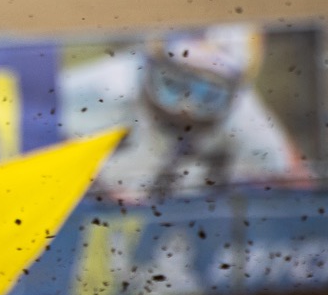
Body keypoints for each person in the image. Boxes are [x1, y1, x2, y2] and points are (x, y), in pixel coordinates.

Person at [60, 24, 311, 199]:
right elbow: (42, 125)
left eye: (208, 95)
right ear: (152, 64)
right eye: (173, 85)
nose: (185, 109)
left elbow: (297, 180)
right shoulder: (111, 86)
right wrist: (96, 188)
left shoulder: (241, 111)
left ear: (235, 91)